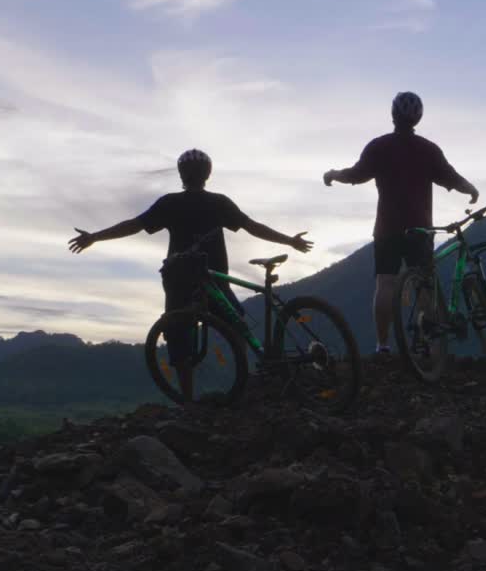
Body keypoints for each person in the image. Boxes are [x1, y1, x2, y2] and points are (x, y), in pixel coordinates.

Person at [68, 149, 312, 399]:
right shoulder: (219, 202)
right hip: (215, 278)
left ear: (181, 174)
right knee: (236, 327)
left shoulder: (170, 203)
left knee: (179, 333)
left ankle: (189, 400)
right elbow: (253, 227)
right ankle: (243, 383)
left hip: (181, 278)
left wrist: (95, 237)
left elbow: (134, 225)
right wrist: (289, 241)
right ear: (208, 174)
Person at [322, 92, 480, 355]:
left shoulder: (379, 146)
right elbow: (450, 177)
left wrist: (333, 174)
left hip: (387, 227)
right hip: (420, 228)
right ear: (419, 117)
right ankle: (428, 345)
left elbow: (356, 174)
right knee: (424, 284)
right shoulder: (428, 149)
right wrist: (470, 189)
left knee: (385, 283)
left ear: (392, 115)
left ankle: (382, 345)